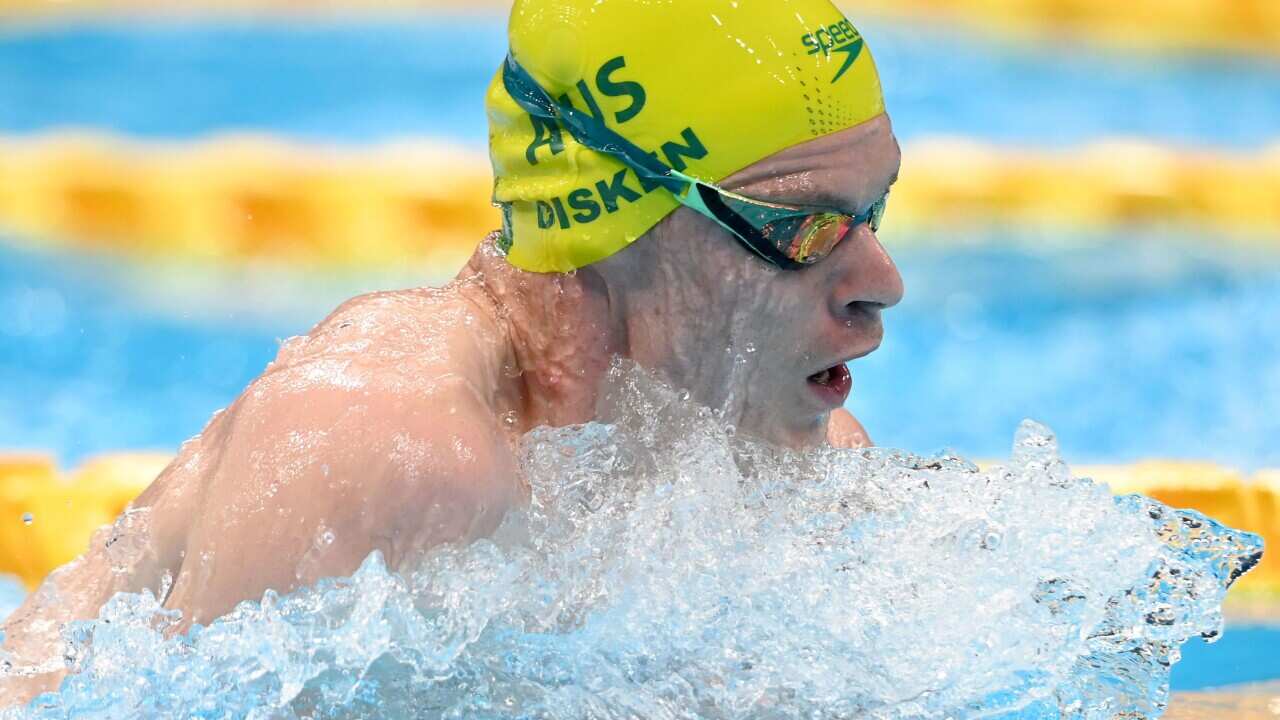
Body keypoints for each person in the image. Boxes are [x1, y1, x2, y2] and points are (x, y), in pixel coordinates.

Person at [0, 0, 902, 704]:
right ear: (615, 228)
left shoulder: (783, 464)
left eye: (873, 213)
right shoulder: (381, 445)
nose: (883, 280)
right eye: (802, 227)